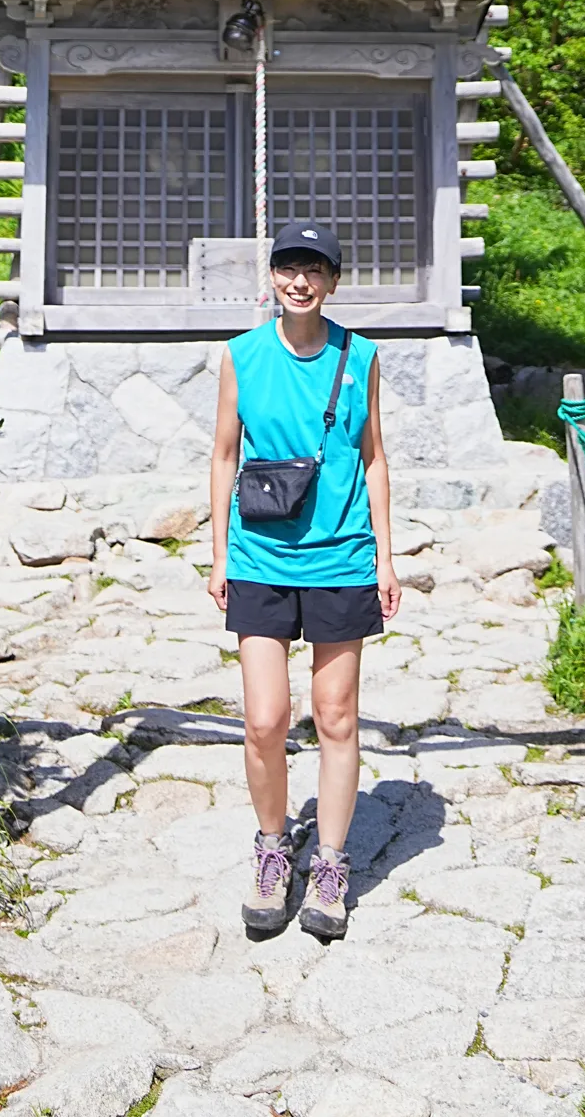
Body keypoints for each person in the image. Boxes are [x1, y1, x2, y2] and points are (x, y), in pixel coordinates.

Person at [209, 218, 401, 943]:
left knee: (337, 715)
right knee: (264, 718)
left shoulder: (361, 355)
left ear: (332, 281)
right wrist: (219, 554)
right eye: (288, 267)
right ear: (272, 276)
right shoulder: (241, 356)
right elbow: (224, 455)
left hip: (342, 555)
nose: (299, 281)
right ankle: (270, 848)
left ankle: (329, 864)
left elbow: (374, 455)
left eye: (313, 270)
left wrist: (385, 557)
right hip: (260, 555)